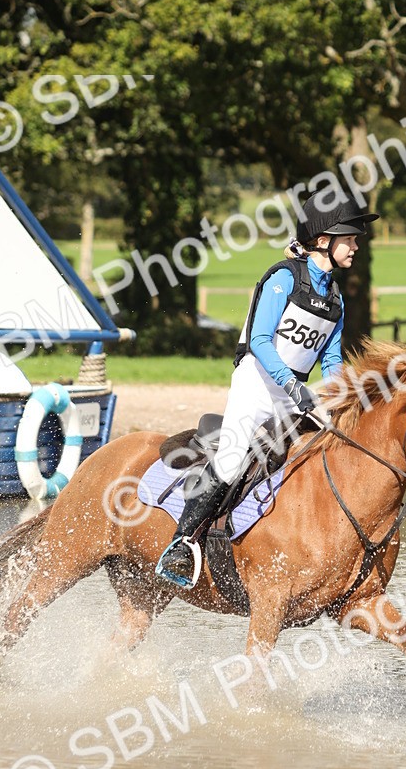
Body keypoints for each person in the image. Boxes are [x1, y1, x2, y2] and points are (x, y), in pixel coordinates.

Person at [155, 192, 378, 588]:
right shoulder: (283, 278)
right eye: (350, 237)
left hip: (295, 393)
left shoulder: (334, 298)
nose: (356, 245)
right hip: (256, 383)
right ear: (323, 240)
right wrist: (293, 385)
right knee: (229, 462)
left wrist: (342, 395)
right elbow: (260, 340)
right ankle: (181, 543)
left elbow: (329, 360)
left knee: (333, 446)